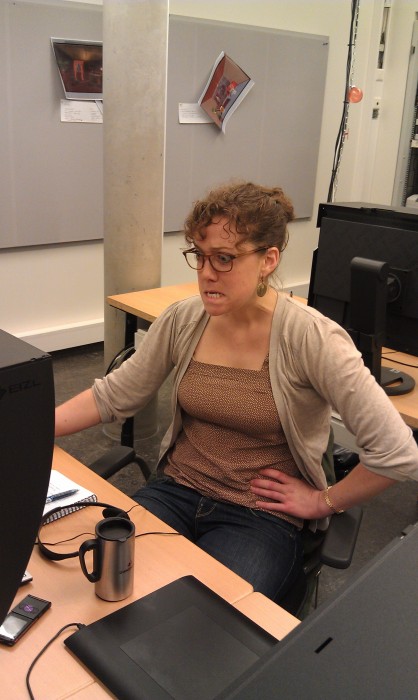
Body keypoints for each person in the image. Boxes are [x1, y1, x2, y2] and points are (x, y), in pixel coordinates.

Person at [55, 181, 418, 607]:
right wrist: (32, 428)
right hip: (176, 489)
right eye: (200, 255)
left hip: (258, 515)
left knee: (202, 619)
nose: (207, 273)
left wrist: (323, 501)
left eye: (224, 258)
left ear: (268, 260)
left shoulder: (311, 337)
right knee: (103, 585)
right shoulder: (184, 319)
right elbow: (113, 396)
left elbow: (397, 454)